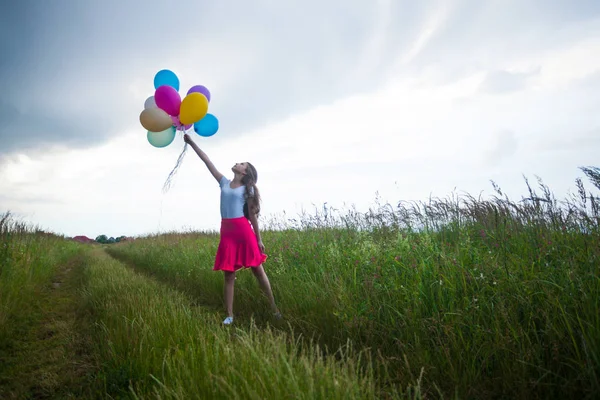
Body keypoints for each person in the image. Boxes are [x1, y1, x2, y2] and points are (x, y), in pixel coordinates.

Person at [183, 133, 281, 325]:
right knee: (229, 274)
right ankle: (229, 315)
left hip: (243, 231)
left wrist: (259, 239)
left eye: (242, 163)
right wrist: (191, 142)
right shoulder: (224, 182)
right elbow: (207, 161)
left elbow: (252, 216)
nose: (238, 163)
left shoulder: (248, 190)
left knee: (257, 270)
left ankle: (274, 308)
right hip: (227, 232)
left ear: (245, 172)